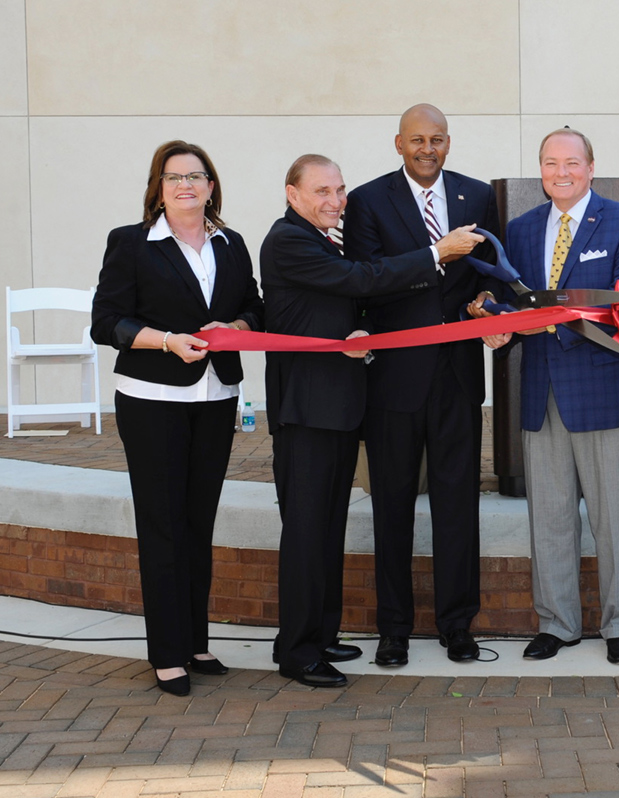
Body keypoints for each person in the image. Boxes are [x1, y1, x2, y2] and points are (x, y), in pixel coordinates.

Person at [261, 154, 482, 687]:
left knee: (326, 530)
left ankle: (319, 634)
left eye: (339, 190)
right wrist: (435, 253)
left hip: (340, 411)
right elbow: (358, 278)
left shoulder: (320, 237)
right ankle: (296, 650)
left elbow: (343, 303)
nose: (335, 201)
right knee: (307, 534)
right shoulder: (289, 239)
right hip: (307, 412)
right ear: (292, 194)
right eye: (321, 192)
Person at [92, 140, 264, 696]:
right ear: (158, 188)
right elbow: (107, 323)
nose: (185, 185)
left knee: (198, 521)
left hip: (215, 397)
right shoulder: (133, 243)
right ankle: (166, 653)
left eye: (195, 176)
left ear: (212, 185)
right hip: (151, 399)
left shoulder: (232, 244)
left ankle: (195, 642)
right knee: (163, 525)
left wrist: (238, 326)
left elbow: (255, 307)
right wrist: (167, 341)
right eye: (173, 178)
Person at [486, 128, 619, 665]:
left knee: (614, 518)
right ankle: (557, 623)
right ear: (540, 169)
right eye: (550, 163)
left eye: (571, 162)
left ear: (590, 166)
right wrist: (497, 326)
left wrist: (553, 319)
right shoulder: (521, 228)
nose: (561, 172)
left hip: (606, 391)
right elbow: (513, 303)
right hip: (542, 393)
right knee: (551, 516)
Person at [342, 103, 502, 667]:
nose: (427, 149)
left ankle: (458, 625)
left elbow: (491, 272)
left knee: (459, 504)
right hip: (395, 378)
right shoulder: (365, 201)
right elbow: (367, 280)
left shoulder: (478, 196)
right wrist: (435, 255)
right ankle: (393, 629)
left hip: (457, 374)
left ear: (449, 143)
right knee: (392, 505)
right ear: (398, 143)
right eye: (417, 140)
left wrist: (487, 307)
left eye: (436, 139)